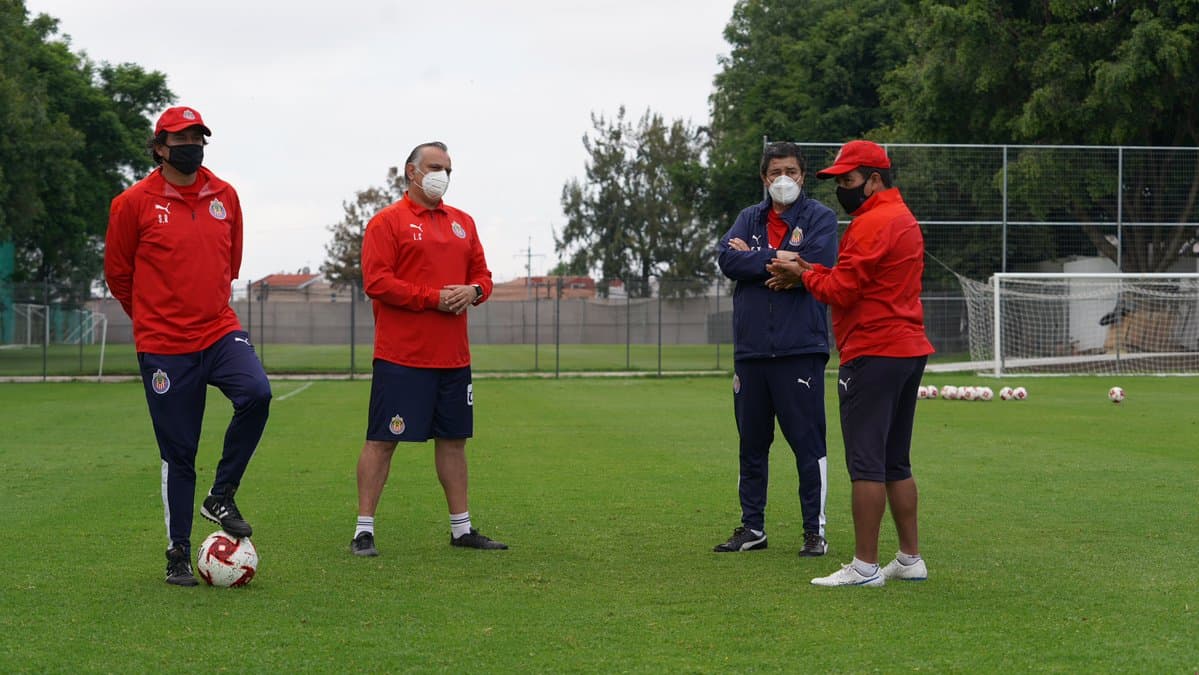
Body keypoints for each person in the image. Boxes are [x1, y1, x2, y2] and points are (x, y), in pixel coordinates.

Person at [105, 106, 272, 587]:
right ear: (160, 147)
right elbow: (118, 275)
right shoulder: (132, 203)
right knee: (179, 452)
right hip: (163, 344)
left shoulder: (226, 196)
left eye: (198, 138)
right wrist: (153, 320)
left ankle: (221, 495)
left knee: (257, 393)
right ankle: (177, 551)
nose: (191, 145)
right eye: (181, 139)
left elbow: (230, 264)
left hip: (218, 329)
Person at [766, 140, 934, 587]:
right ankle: (910, 558)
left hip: (873, 350)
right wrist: (810, 271)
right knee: (896, 460)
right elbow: (852, 279)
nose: (842, 187)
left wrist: (804, 275)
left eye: (849, 179)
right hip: (907, 348)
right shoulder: (902, 216)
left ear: (874, 179)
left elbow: (842, 290)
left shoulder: (871, 222)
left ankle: (864, 566)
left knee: (866, 464)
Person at [350, 141, 506, 556]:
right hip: (401, 357)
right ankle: (363, 530)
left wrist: (474, 291)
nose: (443, 176)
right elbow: (377, 282)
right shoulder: (387, 222)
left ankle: (462, 529)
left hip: (454, 358)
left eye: (448, 170)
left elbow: (484, 277)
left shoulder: (463, 223)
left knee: (454, 441)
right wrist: (433, 298)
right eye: (435, 167)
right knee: (383, 440)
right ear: (412, 171)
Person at [713, 142, 838, 557]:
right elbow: (727, 260)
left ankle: (814, 532)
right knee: (751, 444)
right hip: (751, 352)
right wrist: (784, 260)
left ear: (803, 175)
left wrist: (773, 261)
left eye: (791, 171)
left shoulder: (819, 217)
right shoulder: (748, 217)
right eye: (775, 172)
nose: (783, 179)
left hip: (799, 349)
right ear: (764, 178)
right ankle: (752, 527)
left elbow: (818, 263)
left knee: (807, 445)